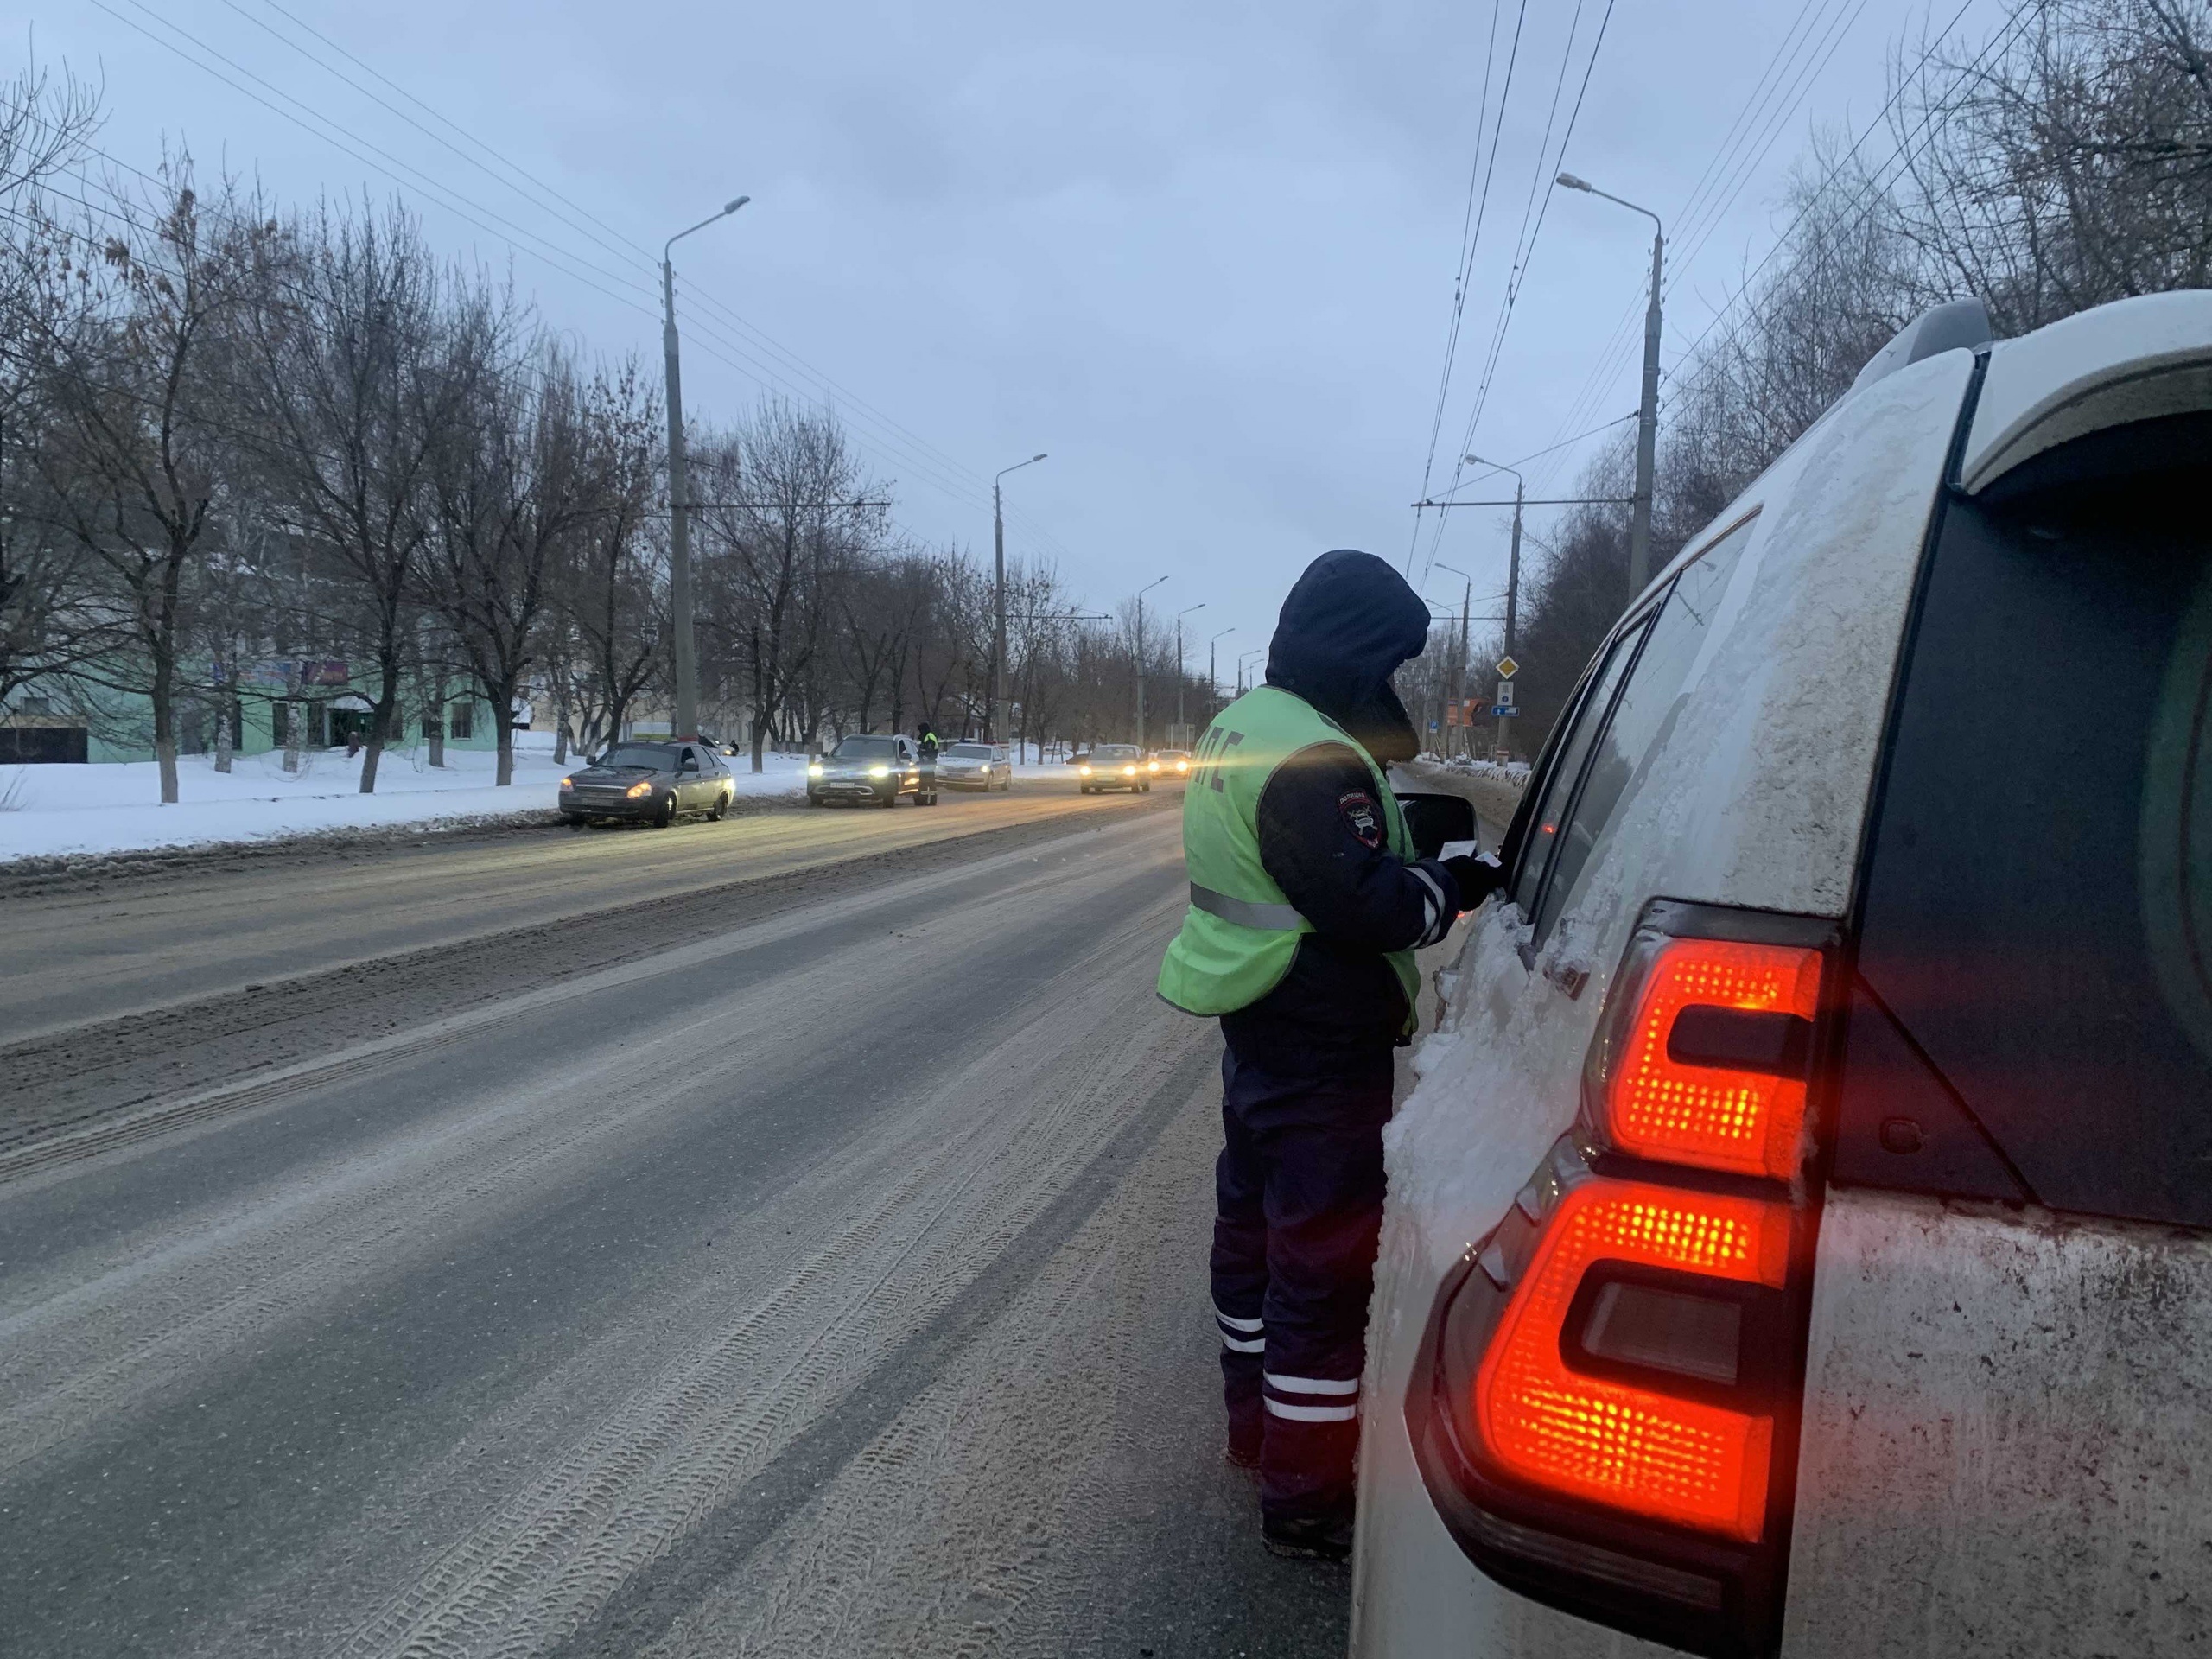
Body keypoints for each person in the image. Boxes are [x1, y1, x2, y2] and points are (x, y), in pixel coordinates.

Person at [1157, 549, 1502, 1561]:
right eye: (1387, 655)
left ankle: (1255, 1433)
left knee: (1254, 1237)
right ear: (1356, 649)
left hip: (1259, 1022)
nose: (1389, 677)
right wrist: (1454, 886)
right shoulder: (1310, 756)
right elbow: (1365, 905)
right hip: (1318, 1041)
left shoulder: (1246, 724)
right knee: (1320, 1266)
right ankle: (1309, 1504)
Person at [915, 721, 939, 805]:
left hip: (928, 764)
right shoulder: (927, 737)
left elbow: (929, 752)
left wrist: (922, 757)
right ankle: (926, 800)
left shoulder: (929, 738)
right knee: (927, 782)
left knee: (927, 782)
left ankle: (927, 801)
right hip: (927, 763)